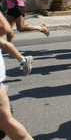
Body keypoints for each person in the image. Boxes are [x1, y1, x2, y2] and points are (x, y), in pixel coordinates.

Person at [0, 10, 33, 140]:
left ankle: (23, 60)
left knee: (5, 122)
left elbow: (4, 27)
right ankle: (23, 60)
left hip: (17, 7)